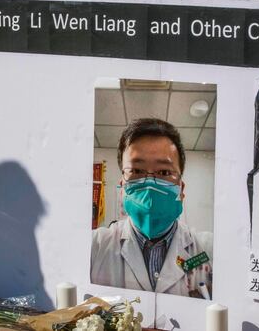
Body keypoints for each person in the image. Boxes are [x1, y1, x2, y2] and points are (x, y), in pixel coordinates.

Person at [90, 118, 212, 298]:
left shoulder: (210, 249)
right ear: (122, 188)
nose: (149, 184)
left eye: (164, 172)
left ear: (181, 189)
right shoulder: (94, 247)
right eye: (137, 171)